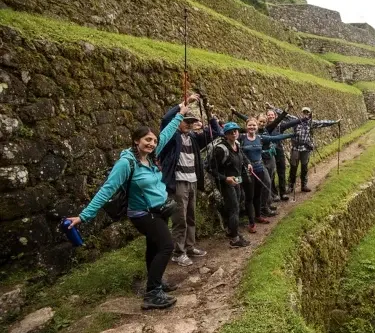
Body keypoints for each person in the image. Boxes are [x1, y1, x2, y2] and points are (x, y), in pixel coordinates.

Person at [65, 99, 194, 310]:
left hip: (159, 210)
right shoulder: (127, 163)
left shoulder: (151, 156)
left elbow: (169, 130)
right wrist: (84, 216)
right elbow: (107, 189)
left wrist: (180, 112)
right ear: (136, 141)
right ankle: (153, 294)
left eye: (153, 140)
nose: (152, 143)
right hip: (143, 213)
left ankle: (156, 281)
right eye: (146, 140)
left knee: (153, 247)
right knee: (167, 246)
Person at [158, 98, 223, 267]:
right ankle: (178, 252)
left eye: (191, 122)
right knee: (180, 219)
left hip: (192, 181)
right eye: (186, 121)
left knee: (191, 216)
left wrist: (211, 116)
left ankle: (190, 246)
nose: (189, 124)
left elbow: (215, 133)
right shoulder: (171, 139)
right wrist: (182, 105)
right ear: (179, 122)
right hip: (178, 182)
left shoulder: (194, 138)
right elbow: (165, 120)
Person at [240, 117, 294, 233]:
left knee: (258, 195)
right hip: (248, 172)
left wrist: (290, 135)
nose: (252, 127)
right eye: (250, 125)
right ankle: (251, 223)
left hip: (259, 168)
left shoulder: (260, 138)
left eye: (254, 125)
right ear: (246, 126)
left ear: (256, 127)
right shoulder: (242, 138)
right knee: (249, 197)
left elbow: (275, 137)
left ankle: (258, 215)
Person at [208, 122, 253, 247]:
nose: (234, 133)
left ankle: (232, 230)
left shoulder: (237, 145)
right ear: (226, 134)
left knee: (237, 203)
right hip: (225, 182)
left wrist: (248, 163)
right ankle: (235, 238)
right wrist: (225, 178)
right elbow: (210, 168)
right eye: (230, 132)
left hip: (237, 179)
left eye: (235, 131)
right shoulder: (220, 149)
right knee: (234, 208)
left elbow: (242, 156)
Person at [281, 107, 338, 193]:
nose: (305, 113)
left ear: (309, 114)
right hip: (295, 148)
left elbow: (323, 123)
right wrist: (271, 107)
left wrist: (335, 122)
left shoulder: (311, 123)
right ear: (301, 112)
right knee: (293, 167)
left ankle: (304, 185)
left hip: (306, 148)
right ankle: (291, 186)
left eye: (307, 112)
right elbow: (285, 116)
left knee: (304, 167)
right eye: (304, 112)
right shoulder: (295, 119)